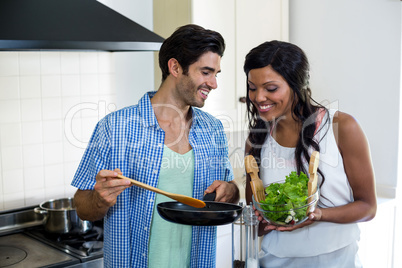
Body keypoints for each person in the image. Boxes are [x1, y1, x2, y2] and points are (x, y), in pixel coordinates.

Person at [71, 24, 239, 268]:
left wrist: (230, 191)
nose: (213, 83)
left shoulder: (212, 130)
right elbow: (82, 205)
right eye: (205, 72)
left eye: (216, 74)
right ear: (175, 67)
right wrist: (100, 199)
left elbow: (229, 193)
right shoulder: (115, 127)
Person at [243, 41, 376, 267]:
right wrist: (266, 216)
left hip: (338, 261)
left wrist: (317, 215)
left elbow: (367, 206)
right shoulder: (257, 139)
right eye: (252, 87)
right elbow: (257, 221)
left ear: (297, 85)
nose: (258, 97)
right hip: (276, 261)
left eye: (271, 88)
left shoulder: (340, 127)